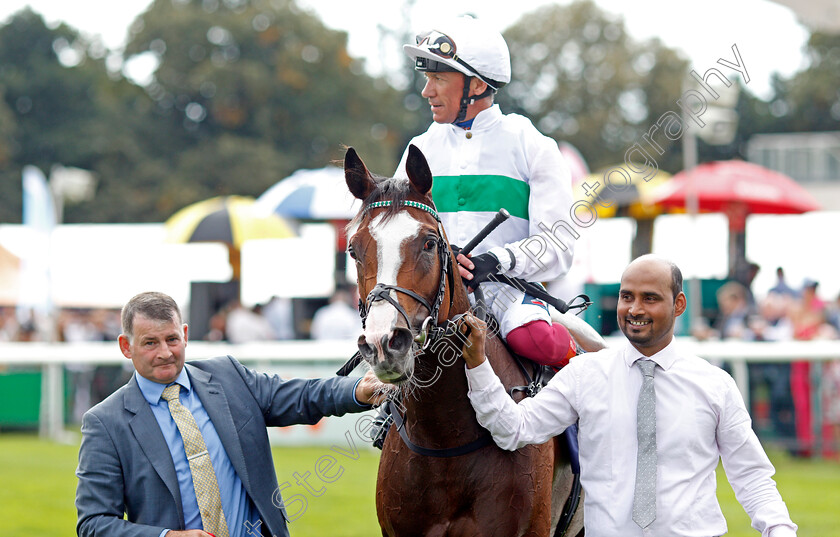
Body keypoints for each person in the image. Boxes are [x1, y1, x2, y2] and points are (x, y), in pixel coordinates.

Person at [460, 255, 798, 536]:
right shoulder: (584, 373)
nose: (634, 309)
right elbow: (513, 429)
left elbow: (751, 475)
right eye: (627, 296)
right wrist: (477, 365)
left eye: (650, 298)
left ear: (678, 304)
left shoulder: (715, 384)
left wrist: (780, 529)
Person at [75, 291, 384, 537]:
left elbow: (298, 395)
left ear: (184, 334)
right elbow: (95, 523)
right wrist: (166, 536)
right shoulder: (105, 422)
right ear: (126, 347)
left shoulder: (228, 376)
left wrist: (356, 390)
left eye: (171, 339)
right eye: (150, 343)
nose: (165, 352)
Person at [397, 15, 579, 368]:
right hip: (430, 297)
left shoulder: (533, 145)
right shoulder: (418, 148)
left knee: (537, 339)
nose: (426, 91)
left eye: (437, 78)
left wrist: (497, 261)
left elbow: (559, 246)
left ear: (477, 86)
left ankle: (583, 400)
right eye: (427, 78)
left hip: (506, 295)